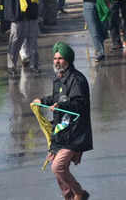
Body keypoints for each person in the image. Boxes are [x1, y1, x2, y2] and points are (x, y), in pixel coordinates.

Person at [32, 41, 92, 200]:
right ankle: (69, 196)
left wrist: (61, 104)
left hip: (74, 132)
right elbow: (55, 98)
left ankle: (79, 193)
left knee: (57, 167)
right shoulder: (58, 78)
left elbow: (79, 103)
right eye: (55, 58)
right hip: (61, 131)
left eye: (60, 58)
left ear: (68, 60)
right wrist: (43, 101)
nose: (57, 61)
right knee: (58, 166)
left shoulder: (77, 79)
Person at [0, 0, 40, 76]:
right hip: (18, 18)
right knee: (15, 42)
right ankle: (12, 66)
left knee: (33, 42)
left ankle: (33, 65)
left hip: (31, 17)